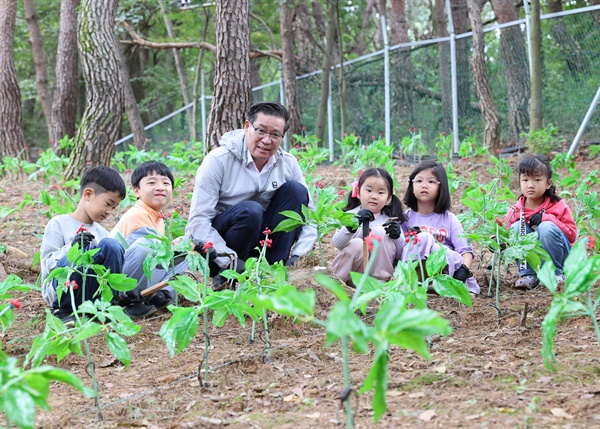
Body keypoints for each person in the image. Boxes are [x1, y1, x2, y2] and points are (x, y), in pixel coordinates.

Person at [185, 101, 317, 289]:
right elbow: (198, 222)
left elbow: (309, 217)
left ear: (283, 136)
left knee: (296, 191)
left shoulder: (287, 163)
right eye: (261, 131)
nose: (266, 140)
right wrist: (229, 260)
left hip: (264, 241)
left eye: (275, 134)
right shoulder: (218, 161)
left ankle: (272, 273)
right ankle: (228, 278)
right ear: (247, 127)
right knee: (251, 210)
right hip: (223, 249)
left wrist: (298, 256)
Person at [40, 166, 127, 325]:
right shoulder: (58, 224)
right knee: (81, 251)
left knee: (112, 245)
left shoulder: (101, 233)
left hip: (91, 294)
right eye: (108, 203)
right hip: (63, 291)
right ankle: (62, 310)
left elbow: (111, 265)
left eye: (113, 208)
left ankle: (106, 306)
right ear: (88, 194)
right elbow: (50, 264)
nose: (109, 212)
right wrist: (73, 248)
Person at [112, 161, 186, 318]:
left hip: (142, 272)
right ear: (136, 191)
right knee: (147, 244)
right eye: (152, 182)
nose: (160, 187)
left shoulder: (159, 219)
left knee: (186, 250)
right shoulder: (137, 214)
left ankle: (160, 294)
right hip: (119, 280)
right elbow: (143, 251)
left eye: (166, 183)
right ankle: (129, 299)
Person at [401, 161, 480, 295]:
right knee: (422, 238)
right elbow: (400, 253)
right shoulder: (405, 219)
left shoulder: (449, 219)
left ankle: (444, 286)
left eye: (431, 182)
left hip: (445, 271)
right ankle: (412, 283)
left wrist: (464, 270)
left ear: (441, 187)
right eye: (419, 181)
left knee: (438, 248)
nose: (424, 185)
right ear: (411, 185)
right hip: (416, 273)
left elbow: (464, 251)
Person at [504, 155, 576, 289]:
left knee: (546, 227)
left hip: (561, 258)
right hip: (532, 260)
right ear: (519, 182)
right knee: (516, 228)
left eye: (537, 180)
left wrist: (548, 218)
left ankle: (555, 274)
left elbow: (572, 235)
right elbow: (505, 236)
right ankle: (528, 275)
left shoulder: (558, 205)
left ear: (548, 183)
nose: (530, 185)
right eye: (525, 180)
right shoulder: (515, 210)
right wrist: (496, 240)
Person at [331, 168, 406, 286]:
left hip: (377, 279)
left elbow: (401, 254)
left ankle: (379, 281)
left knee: (380, 232)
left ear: (388, 199)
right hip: (353, 274)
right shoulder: (349, 215)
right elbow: (337, 244)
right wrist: (352, 225)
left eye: (381, 193)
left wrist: (396, 237)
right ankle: (336, 282)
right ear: (358, 192)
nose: (374, 196)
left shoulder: (390, 220)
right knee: (356, 244)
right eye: (369, 190)